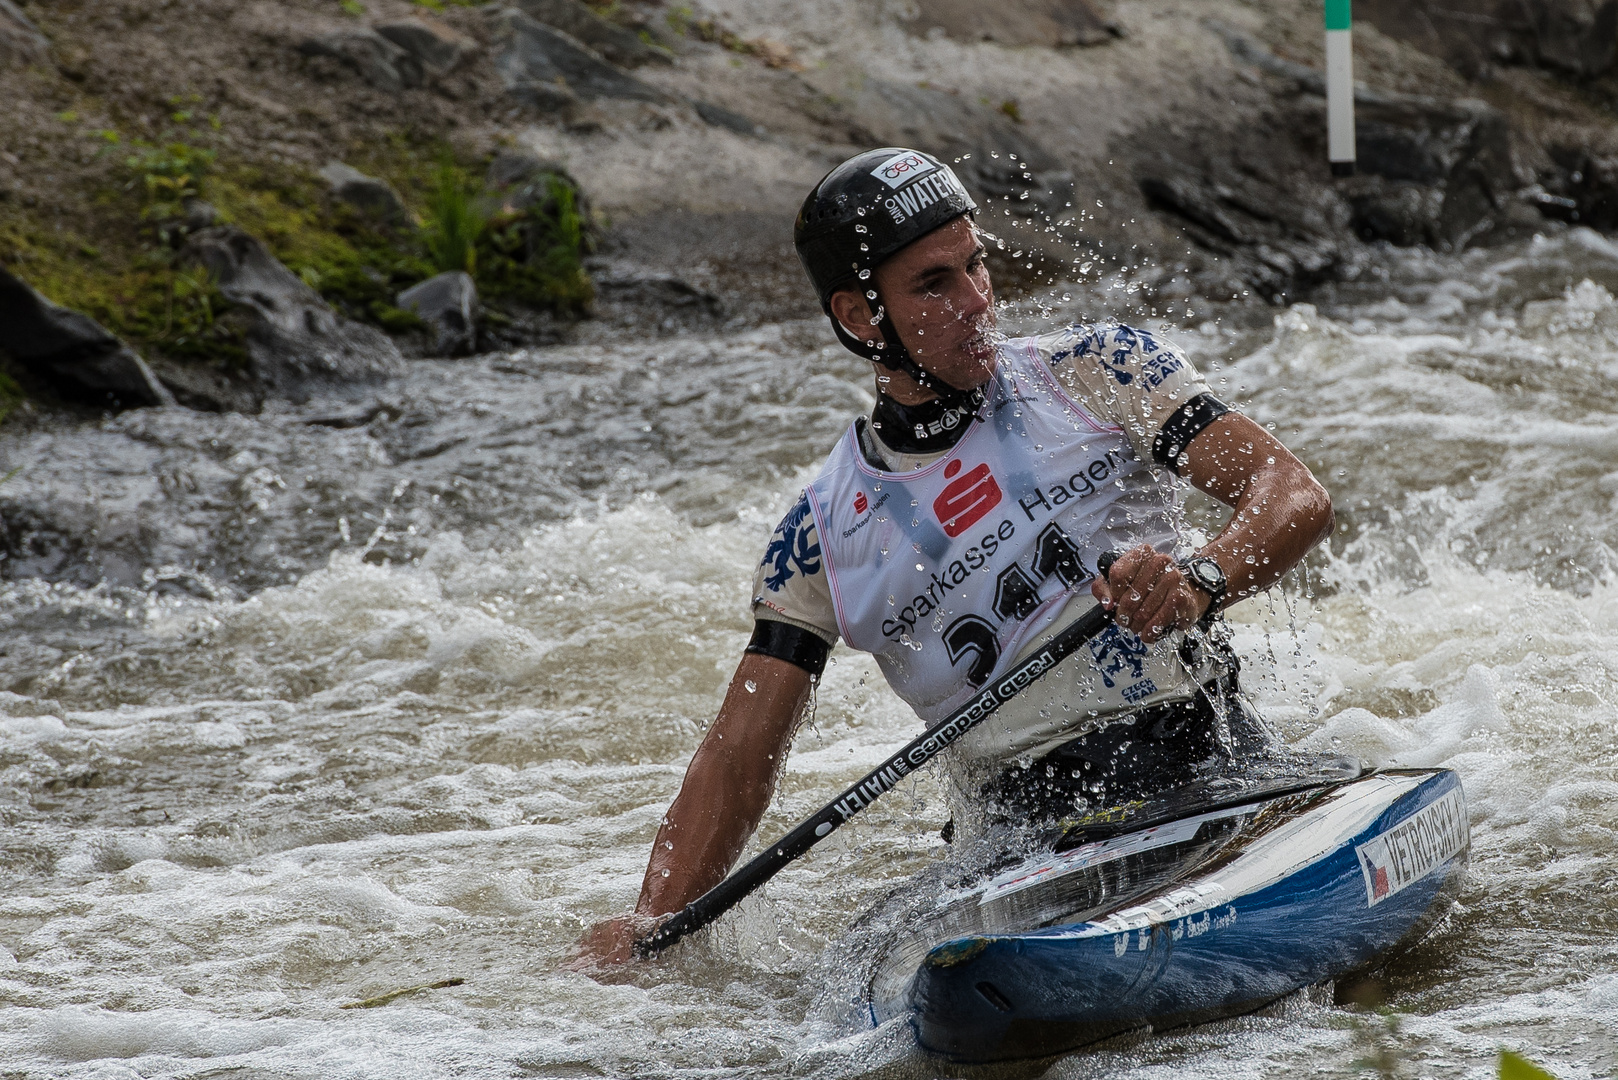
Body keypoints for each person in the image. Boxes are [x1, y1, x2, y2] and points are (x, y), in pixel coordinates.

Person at [573, 147, 1333, 966]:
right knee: (856, 973)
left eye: (976, 266)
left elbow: (1291, 492)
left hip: (1203, 767)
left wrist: (1196, 583)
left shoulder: (1100, 371)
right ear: (864, 319)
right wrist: (650, 925)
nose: (977, 301)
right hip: (1015, 837)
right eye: (934, 285)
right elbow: (737, 755)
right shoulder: (819, 538)